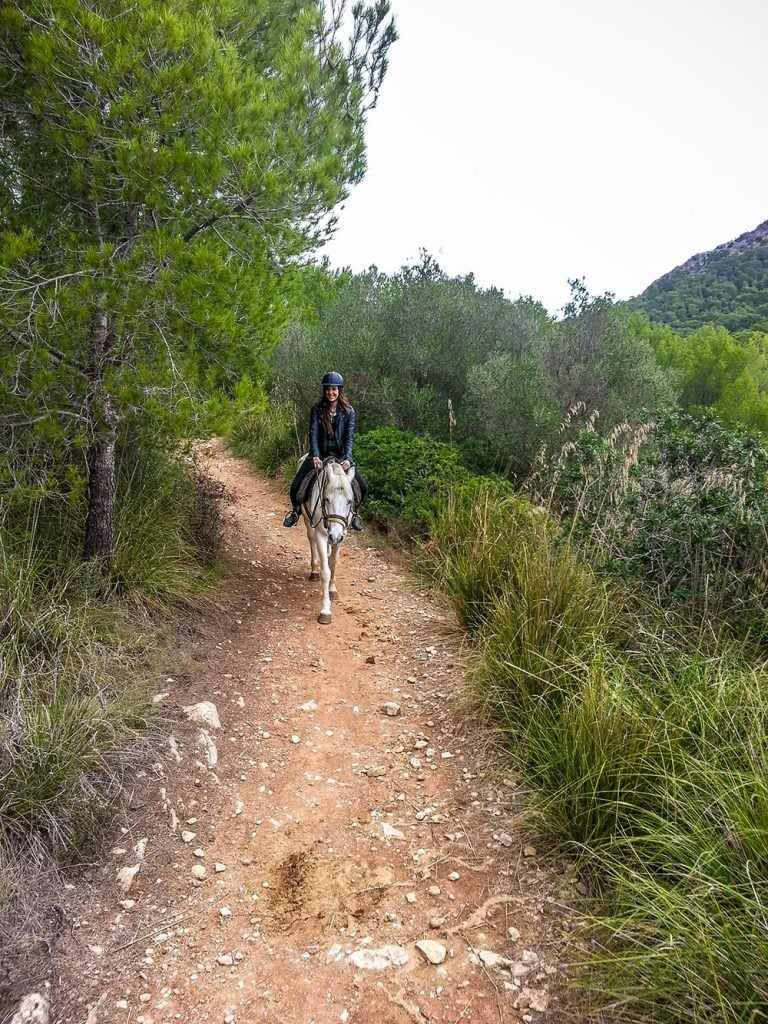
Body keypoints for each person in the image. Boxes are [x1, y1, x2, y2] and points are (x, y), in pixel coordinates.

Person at [283, 371, 366, 531]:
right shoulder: (317, 409)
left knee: (362, 486)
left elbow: (349, 438)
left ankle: (354, 515)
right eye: (328, 389)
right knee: (295, 486)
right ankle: (295, 512)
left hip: (341, 456)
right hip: (320, 455)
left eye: (334, 389)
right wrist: (314, 455)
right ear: (324, 390)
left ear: (339, 390)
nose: (331, 392)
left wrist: (347, 458)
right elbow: (313, 433)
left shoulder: (349, 412)